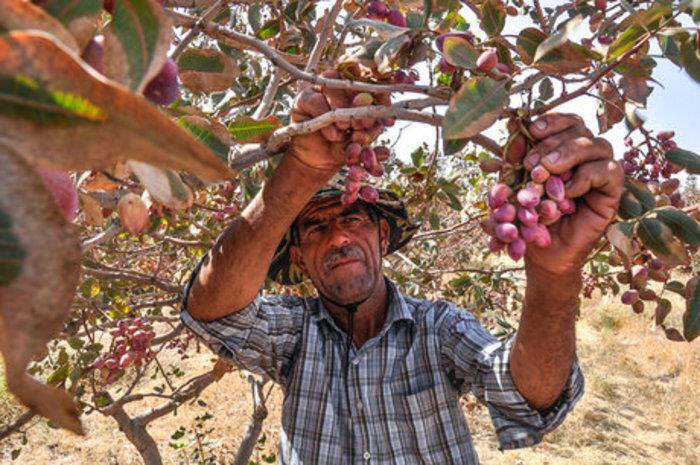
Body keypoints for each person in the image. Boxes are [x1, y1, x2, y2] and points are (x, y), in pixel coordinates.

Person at [180, 80, 625, 464]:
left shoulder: (439, 328)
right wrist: (300, 170)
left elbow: (529, 398)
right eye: (316, 227)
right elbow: (212, 312)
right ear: (298, 258)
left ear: (381, 237)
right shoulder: (295, 333)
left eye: (353, 219)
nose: (337, 238)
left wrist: (554, 274)